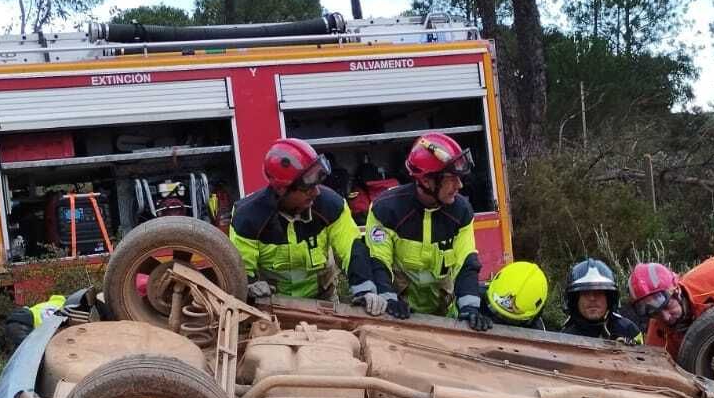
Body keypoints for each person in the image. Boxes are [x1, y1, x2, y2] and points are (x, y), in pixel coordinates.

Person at [230, 138, 392, 314]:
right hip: (271, 307)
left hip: (322, 302)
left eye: (317, 184)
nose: (316, 192)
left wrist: (365, 290)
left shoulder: (331, 205)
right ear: (281, 189)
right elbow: (241, 268)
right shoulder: (247, 216)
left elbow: (351, 248)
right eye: (307, 188)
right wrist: (251, 285)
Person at [365, 132, 482, 325]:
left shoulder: (461, 212)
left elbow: (466, 262)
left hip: (445, 317)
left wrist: (470, 308)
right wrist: (388, 298)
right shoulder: (387, 209)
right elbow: (378, 260)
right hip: (398, 316)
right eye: (452, 179)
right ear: (427, 181)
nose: (459, 185)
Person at [561, 258, 642, 342]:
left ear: (609, 298)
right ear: (575, 300)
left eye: (599, 292)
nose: (592, 298)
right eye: (585, 293)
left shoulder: (628, 330)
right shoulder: (565, 336)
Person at [473, 261, 548, 331]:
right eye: (493, 310)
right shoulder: (473, 297)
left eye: (510, 320)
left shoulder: (537, 331)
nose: (498, 320)